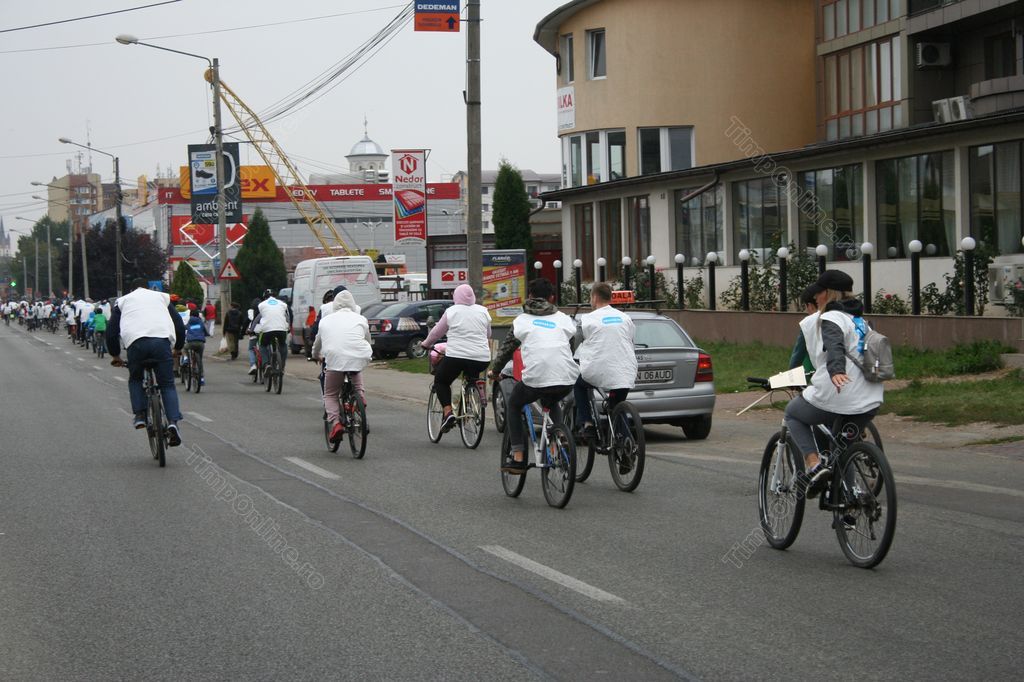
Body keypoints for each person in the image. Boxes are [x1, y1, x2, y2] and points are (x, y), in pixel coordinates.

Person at [783, 270, 883, 497]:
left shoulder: (830, 318)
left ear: (828, 293)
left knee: (792, 413)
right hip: (871, 398)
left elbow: (833, 344)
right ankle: (850, 497)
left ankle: (813, 464)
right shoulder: (861, 321)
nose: (815, 297)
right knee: (841, 448)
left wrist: (836, 370)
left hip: (840, 391)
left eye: (818, 292)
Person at [489, 278, 579, 474]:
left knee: (514, 404)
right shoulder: (564, 318)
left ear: (529, 296)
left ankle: (518, 456)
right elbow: (570, 344)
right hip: (566, 377)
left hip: (536, 378)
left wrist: (495, 372)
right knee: (552, 400)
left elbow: (507, 350)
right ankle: (559, 437)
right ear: (552, 298)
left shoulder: (522, 320)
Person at [106, 278, 187, 447]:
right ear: (150, 288)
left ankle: (140, 416)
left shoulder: (123, 301)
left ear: (131, 290)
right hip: (161, 342)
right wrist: (178, 348)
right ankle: (173, 422)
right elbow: (179, 325)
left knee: (136, 379)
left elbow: (112, 331)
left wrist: (115, 355)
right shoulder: (162, 297)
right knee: (167, 385)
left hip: (136, 343)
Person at [572, 281, 637, 442]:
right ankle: (626, 444)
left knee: (579, 386)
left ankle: (587, 424)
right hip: (626, 370)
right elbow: (630, 339)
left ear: (594, 297)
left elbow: (575, 344)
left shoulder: (587, 319)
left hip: (597, 369)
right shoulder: (625, 318)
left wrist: (570, 357)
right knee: (617, 405)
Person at [421, 283, 492, 432]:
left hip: (456, 358)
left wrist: (426, 344)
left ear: (456, 297)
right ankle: (471, 401)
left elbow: (436, 333)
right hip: (482, 358)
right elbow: (488, 334)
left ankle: (448, 413)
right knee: (471, 376)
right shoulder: (483, 311)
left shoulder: (451, 311)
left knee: (441, 381)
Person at [312, 290, 372, 442]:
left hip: (335, 360)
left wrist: (315, 355)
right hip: (358, 357)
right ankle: (360, 398)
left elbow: (318, 343)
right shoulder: (361, 319)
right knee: (356, 369)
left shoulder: (325, 320)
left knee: (330, 394)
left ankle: (336, 423)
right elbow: (367, 339)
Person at [252, 289, 292, 373]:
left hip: (267, 330)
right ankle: (282, 365)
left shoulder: (262, 305)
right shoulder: (282, 304)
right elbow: (287, 318)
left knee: (262, 345)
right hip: (281, 329)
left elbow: (256, 320)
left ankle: (266, 364)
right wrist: (288, 327)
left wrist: (251, 329)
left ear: (264, 298)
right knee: (283, 345)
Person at [788, 285, 821, 374]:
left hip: (823, 374)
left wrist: (791, 375)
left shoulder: (808, 323)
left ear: (810, 305)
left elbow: (797, 356)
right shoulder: (843, 317)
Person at [182, 308, 209, 385]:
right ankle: (202, 378)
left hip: (191, 342)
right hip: (200, 343)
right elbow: (205, 331)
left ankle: (186, 359)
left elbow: (185, 328)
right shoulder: (201, 322)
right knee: (199, 360)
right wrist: (206, 334)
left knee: (184, 348)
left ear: (190, 315)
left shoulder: (189, 322)